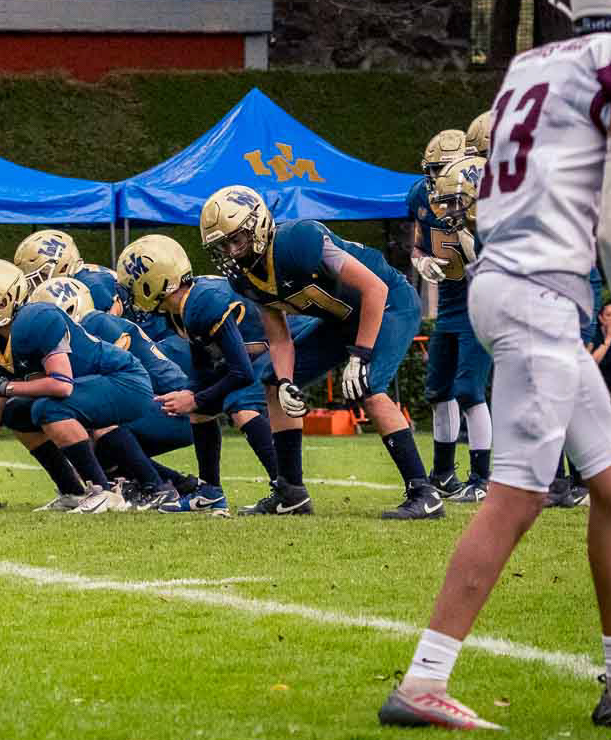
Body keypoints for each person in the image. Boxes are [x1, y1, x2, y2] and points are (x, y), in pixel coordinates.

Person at [378, 0, 611, 731]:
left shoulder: (536, 63)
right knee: (518, 495)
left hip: (508, 283)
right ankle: (423, 681)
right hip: (538, 292)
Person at [196, 187, 438, 519]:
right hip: (342, 320)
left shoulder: (299, 241)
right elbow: (279, 339)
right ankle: (291, 493)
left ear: (258, 225)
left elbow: (375, 288)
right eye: (223, 246)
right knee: (273, 382)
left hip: (389, 305)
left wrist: (361, 355)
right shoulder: (246, 279)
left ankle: (424, 493)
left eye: (236, 239)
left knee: (368, 387)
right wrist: (286, 382)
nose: (231, 252)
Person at [0, 259, 176, 512]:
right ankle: (72, 491)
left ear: (3, 302)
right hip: (87, 389)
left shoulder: (37, 319)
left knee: (48, 409)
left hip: (124, 380)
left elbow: (62, 385)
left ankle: (104, 491)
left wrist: (8, 387)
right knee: (13, 412)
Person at [116, 233, 290, 515]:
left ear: (152, 281)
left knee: (240, 404)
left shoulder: (202, 302)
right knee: (201, 410)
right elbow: (203, 363)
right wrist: (192, 392)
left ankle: (287, 489)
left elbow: (242, 373)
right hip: (256, 353)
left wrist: (194, 399)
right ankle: (210, 491)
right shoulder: (180, 308)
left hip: (284, 343)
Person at [31, 275, 197, 507]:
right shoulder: (87, 329)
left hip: (176, 407)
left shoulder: (94, 324)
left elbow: (118, 384)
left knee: (97, 420)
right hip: (163, 404)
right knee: (90, 440)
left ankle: (157, 488)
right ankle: (179, 483)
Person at [410, 150, 494, 504]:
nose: (435, 180)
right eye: (432, 171)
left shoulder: (491, 204)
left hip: (481, 309)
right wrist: (421, 261)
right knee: (438, 391)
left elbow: (492, 265)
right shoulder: (421, 195)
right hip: (448, 308)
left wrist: (465, 231)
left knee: (469, 391)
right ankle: (443, 474)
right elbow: (417, 245)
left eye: (441, 171)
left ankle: (482, 478)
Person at [14, 229, 125, 313]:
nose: (35, 284)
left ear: (63, 267)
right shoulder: (81, 275)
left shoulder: (91, 286)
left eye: (40, 277)